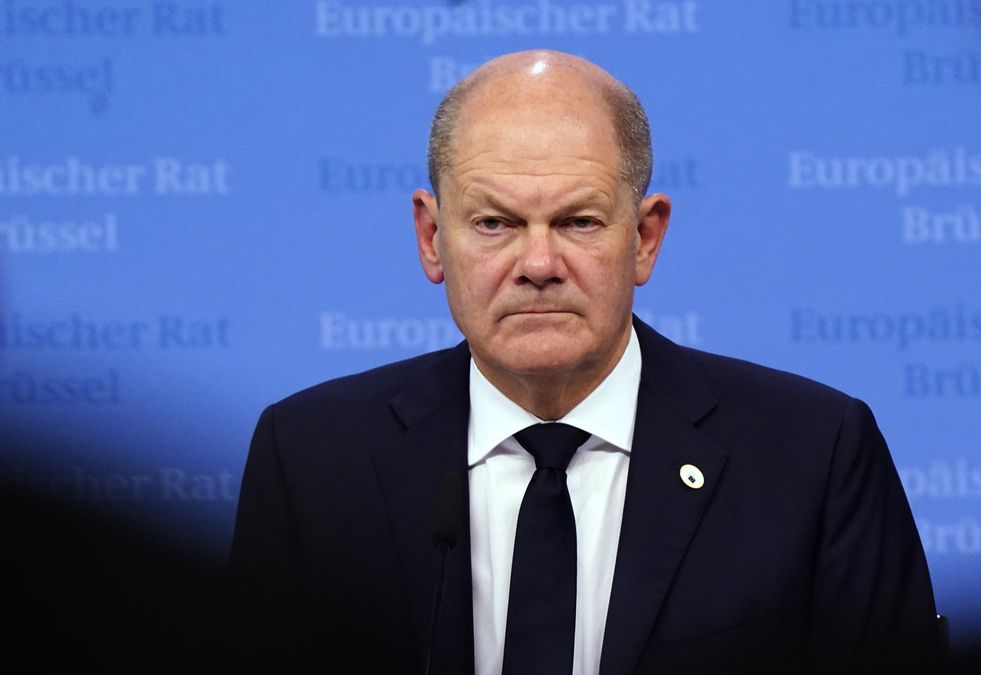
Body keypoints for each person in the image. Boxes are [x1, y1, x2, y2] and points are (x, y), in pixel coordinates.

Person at [229, 50, 940, 674]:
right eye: (494, 223)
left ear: (645, 238)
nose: (538, 264)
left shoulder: (813, 456)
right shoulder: (313, 460)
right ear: (430, 237)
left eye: (578, 221)